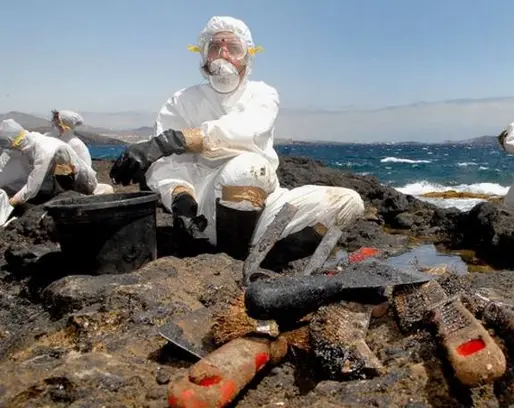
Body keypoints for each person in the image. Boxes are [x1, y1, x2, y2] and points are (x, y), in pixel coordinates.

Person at [110, 15, 364, 262]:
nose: (223, 54)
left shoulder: (262, 94)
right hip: (208, 212)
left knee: (347, 203)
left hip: (264, 204)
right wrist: (179, 197)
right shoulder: (182, 101)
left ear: (248, 55)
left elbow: (245, 129)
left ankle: (266, 256)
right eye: (214, 47)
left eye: (233, 47)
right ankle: (230, 260)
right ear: (203, 54)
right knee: (249, 169)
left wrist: (170, 142)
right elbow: (167, 168)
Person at [0, 119, 101, 224]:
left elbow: (34, 183)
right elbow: (4, 164)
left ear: (17, 142)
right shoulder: (28, 142)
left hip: (79, 183)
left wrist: (13, 201)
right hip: (51, 185)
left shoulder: (44, 150)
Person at [46, 109, 114, 195]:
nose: (54, 126)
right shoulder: (49, 138)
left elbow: (85, 173)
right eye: (54, 123)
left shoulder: (76, 144)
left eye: (57, 124)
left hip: (73, 184)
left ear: (66, 126)